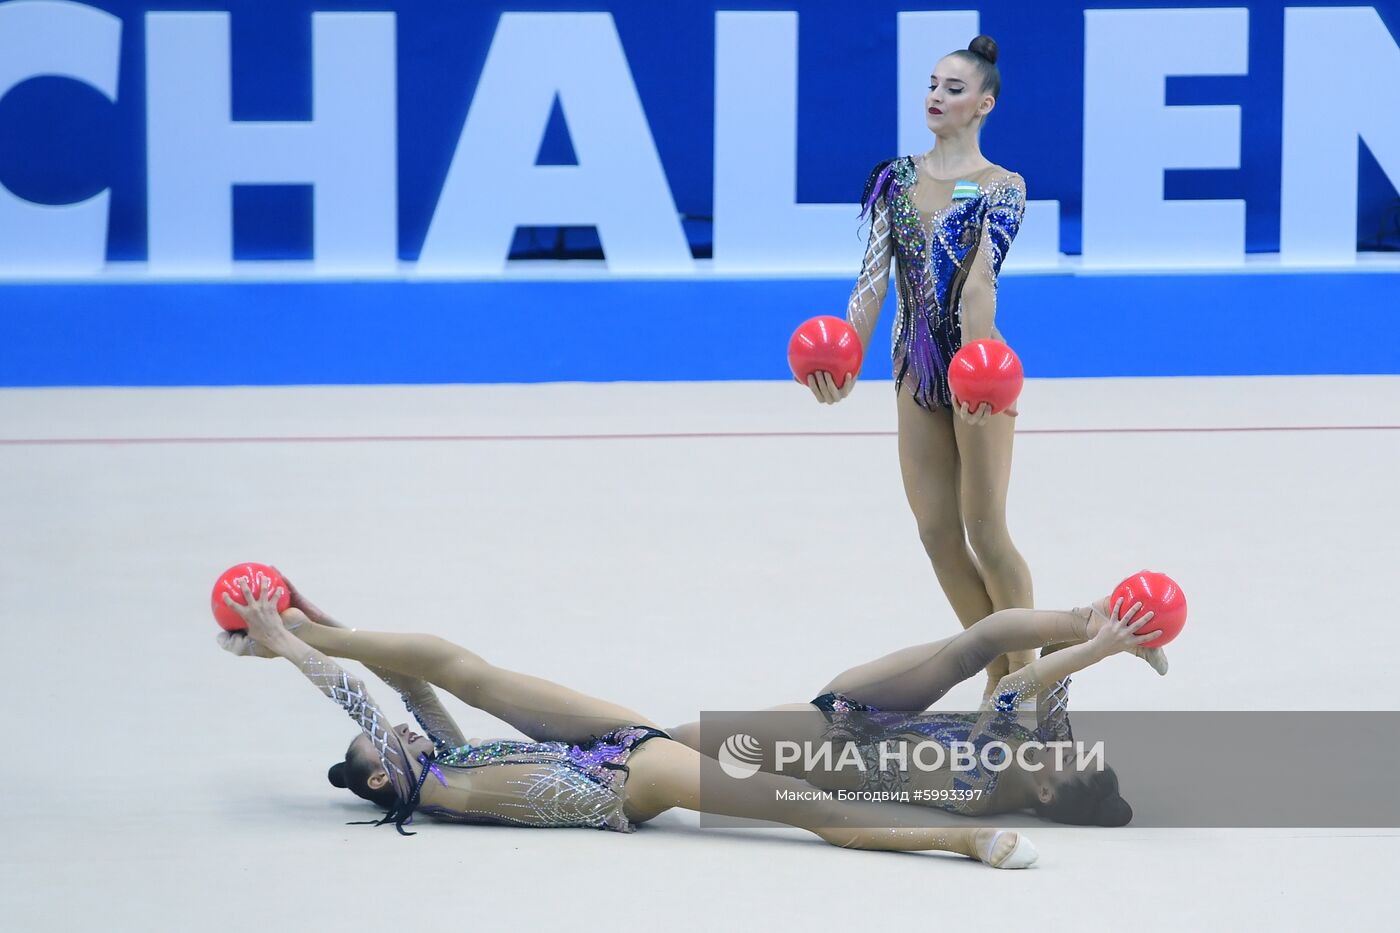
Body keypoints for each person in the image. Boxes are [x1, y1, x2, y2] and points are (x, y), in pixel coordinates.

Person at [214, 575, 1040, 868]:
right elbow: (355, 698)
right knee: (804, 808)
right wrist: (291, 648)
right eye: (390, 744)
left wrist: (314, 625)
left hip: (601, 743)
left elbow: (418, 676)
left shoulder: (444, 758)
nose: (407, 732)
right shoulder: (435, 785)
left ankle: (916, 757)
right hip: (623, 779)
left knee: (465, 667)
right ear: (384, 781)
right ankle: (963, 838)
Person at [805, 35, 1034, 695]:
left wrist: (977, 372)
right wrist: (843, 361)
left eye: (954, 89)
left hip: (977, 372)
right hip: (914, 372)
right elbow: (872, 280)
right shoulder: (896, 179)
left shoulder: (1001, 187)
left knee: (986, 530)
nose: (937, 96)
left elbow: (979, 282)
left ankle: (1032, 680)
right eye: (933, 84)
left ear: (984, 104)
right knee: (937, 532)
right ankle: (998, 670)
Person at [670, 597, 1167, 826]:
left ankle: (610, 758)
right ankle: (1099, 615)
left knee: (684, 742)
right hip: (878, 712)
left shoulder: (981, 786)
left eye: (1070, 760)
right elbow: (1055, 674)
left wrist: (1100, 651)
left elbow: (1013, 688)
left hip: (829, 739)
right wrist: (1120, 631)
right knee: (980, 640)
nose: (1065, 748)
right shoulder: (1042, 758)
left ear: (1044, 791)